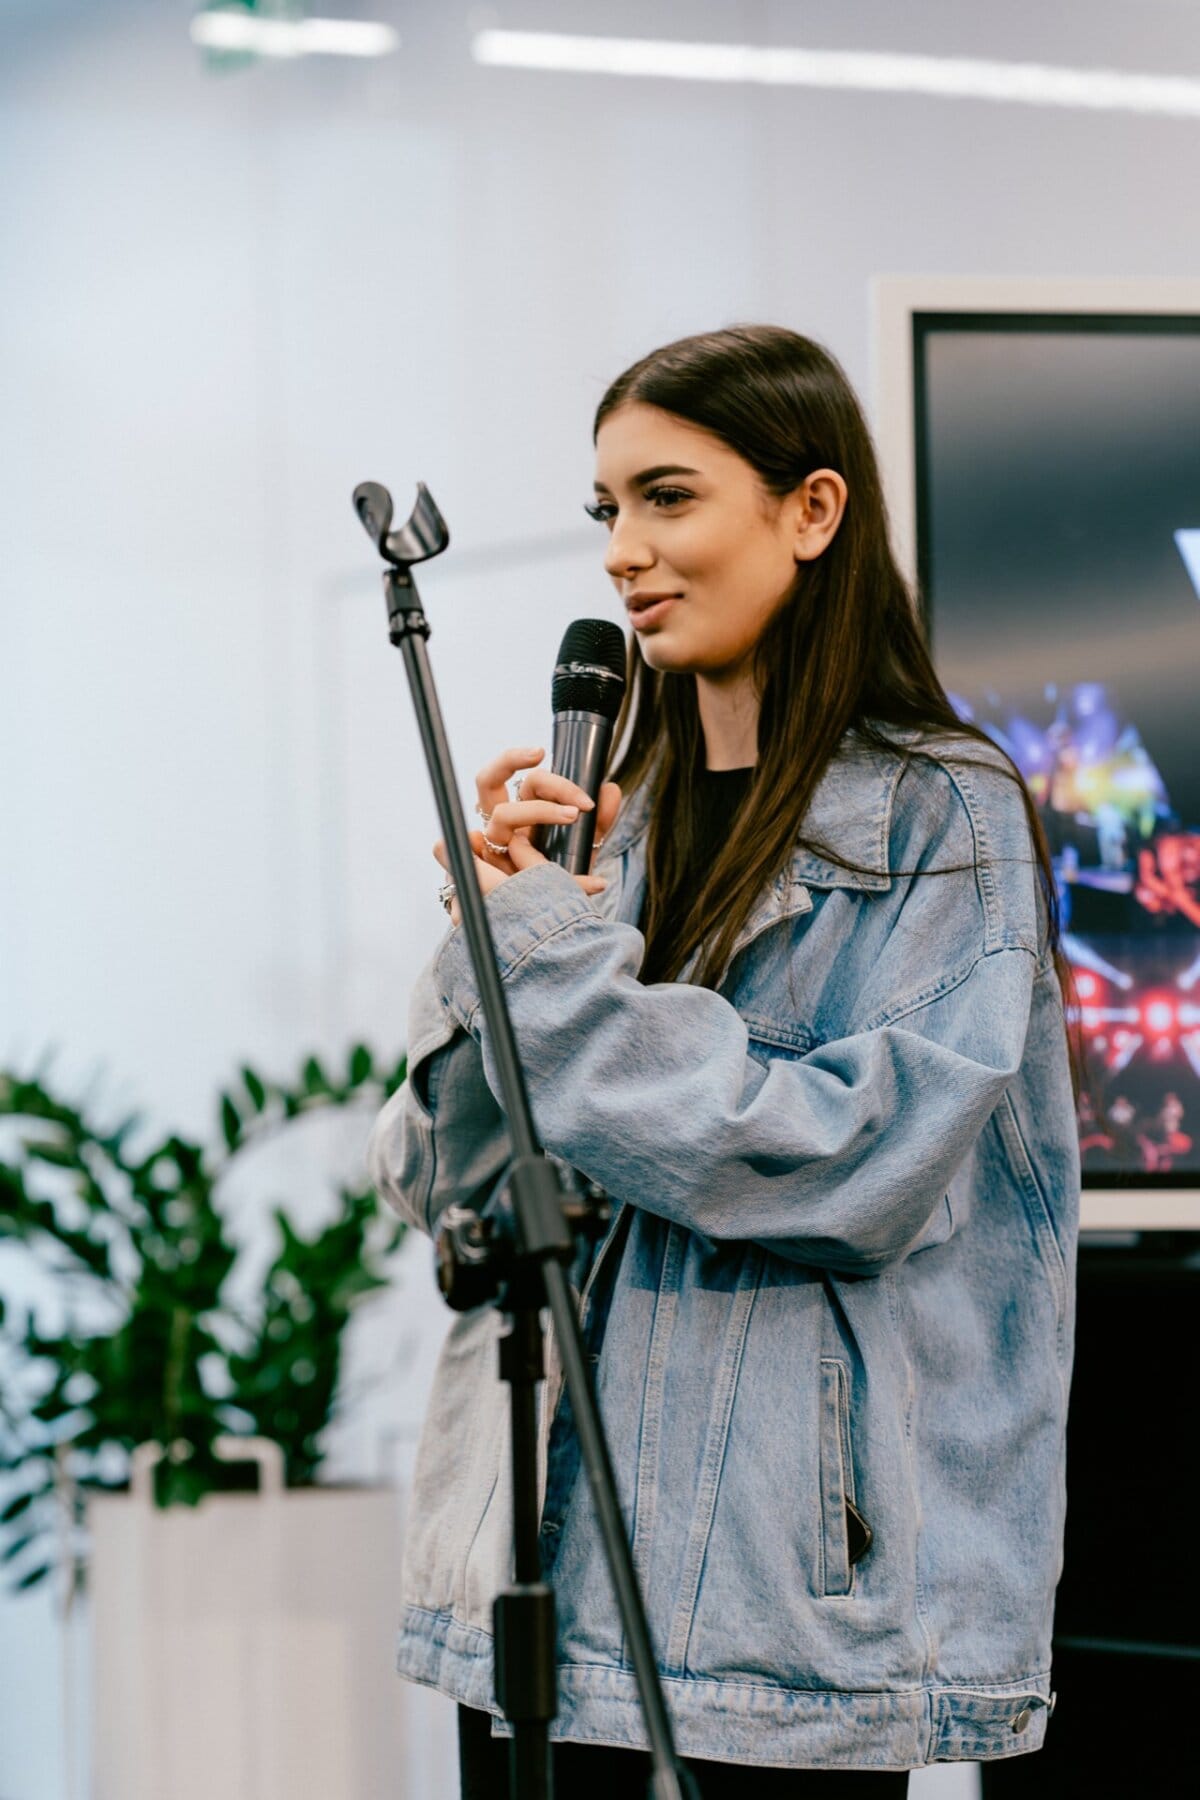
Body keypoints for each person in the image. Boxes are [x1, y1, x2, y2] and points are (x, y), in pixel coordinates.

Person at [368, 324, 1081, 1795]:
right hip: (537, 1583)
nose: (625, 551)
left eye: (669, 497)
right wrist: (492, 938)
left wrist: (552, 970)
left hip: (769, 1615)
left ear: (812, 510)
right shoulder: (610, 821)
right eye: (606, 511)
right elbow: (441, 1184)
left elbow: (848, 1164)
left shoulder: (943, 814)